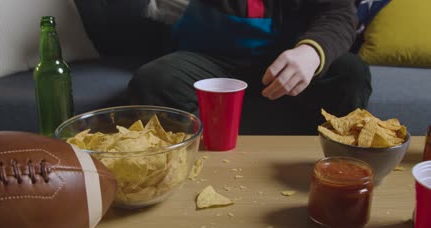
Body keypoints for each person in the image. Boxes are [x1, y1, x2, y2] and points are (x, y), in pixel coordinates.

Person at [128, 0, 372, 135]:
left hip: (286, 60)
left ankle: (337, 165)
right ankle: (175, 164)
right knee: (153, 81)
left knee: (351, 73)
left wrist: (311, 52)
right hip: (210, 60)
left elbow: (339, 13)